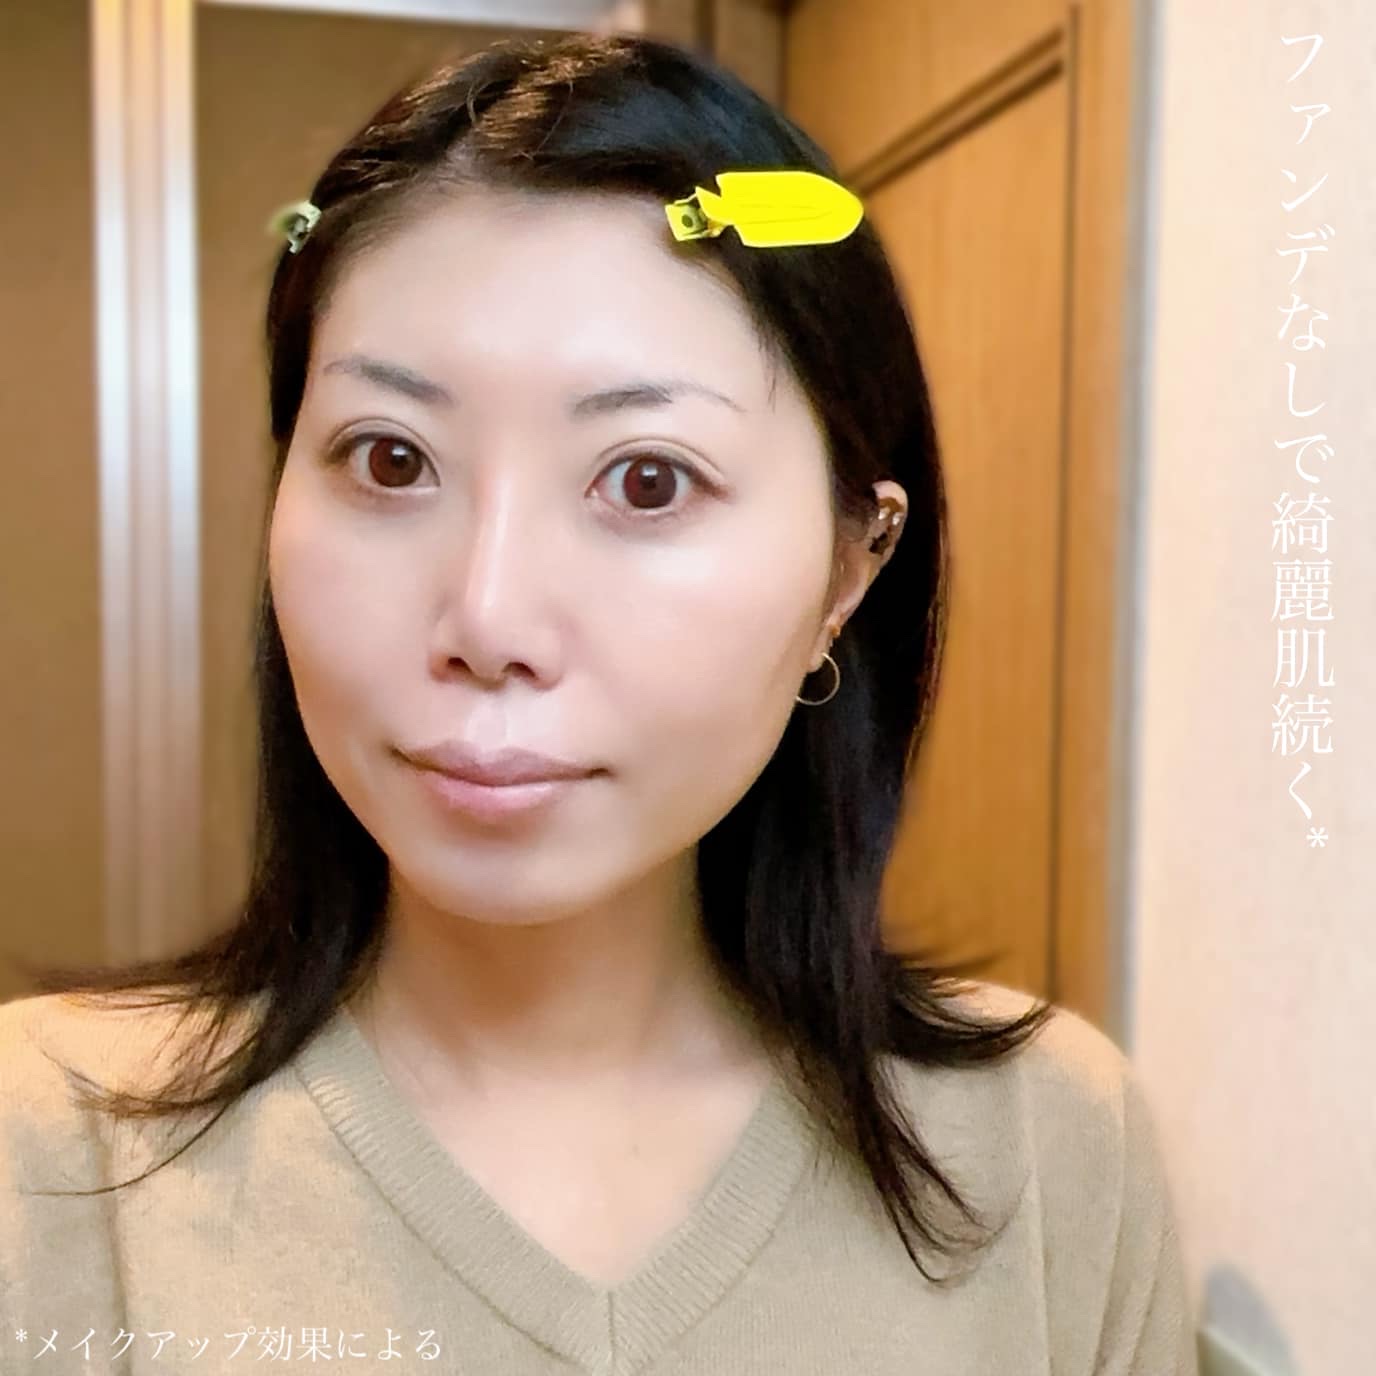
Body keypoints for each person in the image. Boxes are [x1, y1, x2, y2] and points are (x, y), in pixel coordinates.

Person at [0, 31, 1199, 1375]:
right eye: (390, 460)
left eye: (646, 480)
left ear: (850, 566)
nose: (489, 619)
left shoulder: (1048, 1154)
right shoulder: (40, 1152)